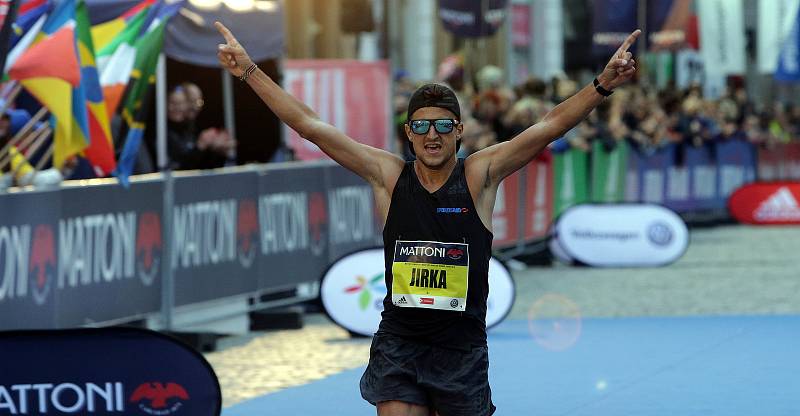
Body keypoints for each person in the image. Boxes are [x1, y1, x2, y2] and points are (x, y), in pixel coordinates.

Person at [215, 21, 640, 416]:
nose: (431, 136)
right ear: (408, 134)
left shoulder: (479, 175)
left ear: (458, 130)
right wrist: (249, 70)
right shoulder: (387, 175)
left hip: (461, 348)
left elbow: (546, 127)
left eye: (441, 126)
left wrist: (602, 85)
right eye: (420, 127)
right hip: (400, 342)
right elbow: (310, 126)